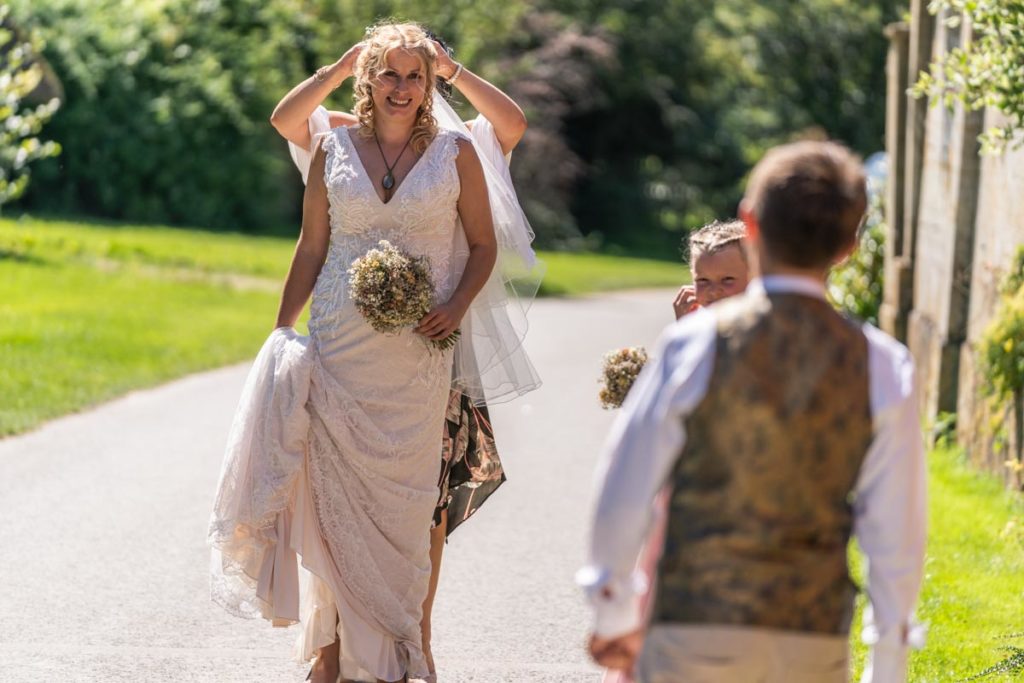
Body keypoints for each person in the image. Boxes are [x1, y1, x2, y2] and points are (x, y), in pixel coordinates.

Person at [208, 22, 538, 683]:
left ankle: (401, 646)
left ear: (429, 83)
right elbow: (309, 246)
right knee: (330, 497)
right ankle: (331, 653)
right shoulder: (331, 144)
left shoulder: (458, 150)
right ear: (367, 79)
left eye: (415, 76)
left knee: (407, 507)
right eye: (389, 73)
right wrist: (281, 331)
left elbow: (482, 244)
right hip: (338, 344)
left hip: (418, 357)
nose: (402, 87)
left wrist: (455, 305)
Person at [580, 140, 927, 683]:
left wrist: (615, 611)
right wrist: (888, 664)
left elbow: (625, 489)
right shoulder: (884, 366)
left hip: (692, 627)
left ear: (752, 224)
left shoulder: (693, 345)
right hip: (809, 637)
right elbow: (896, 531)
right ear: (851, 244)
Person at [672, 220, 750, 320]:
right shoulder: (693, 325)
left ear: (753, 275)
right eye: (703, 280)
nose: (713, 291)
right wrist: (685, 324)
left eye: (727, 279)